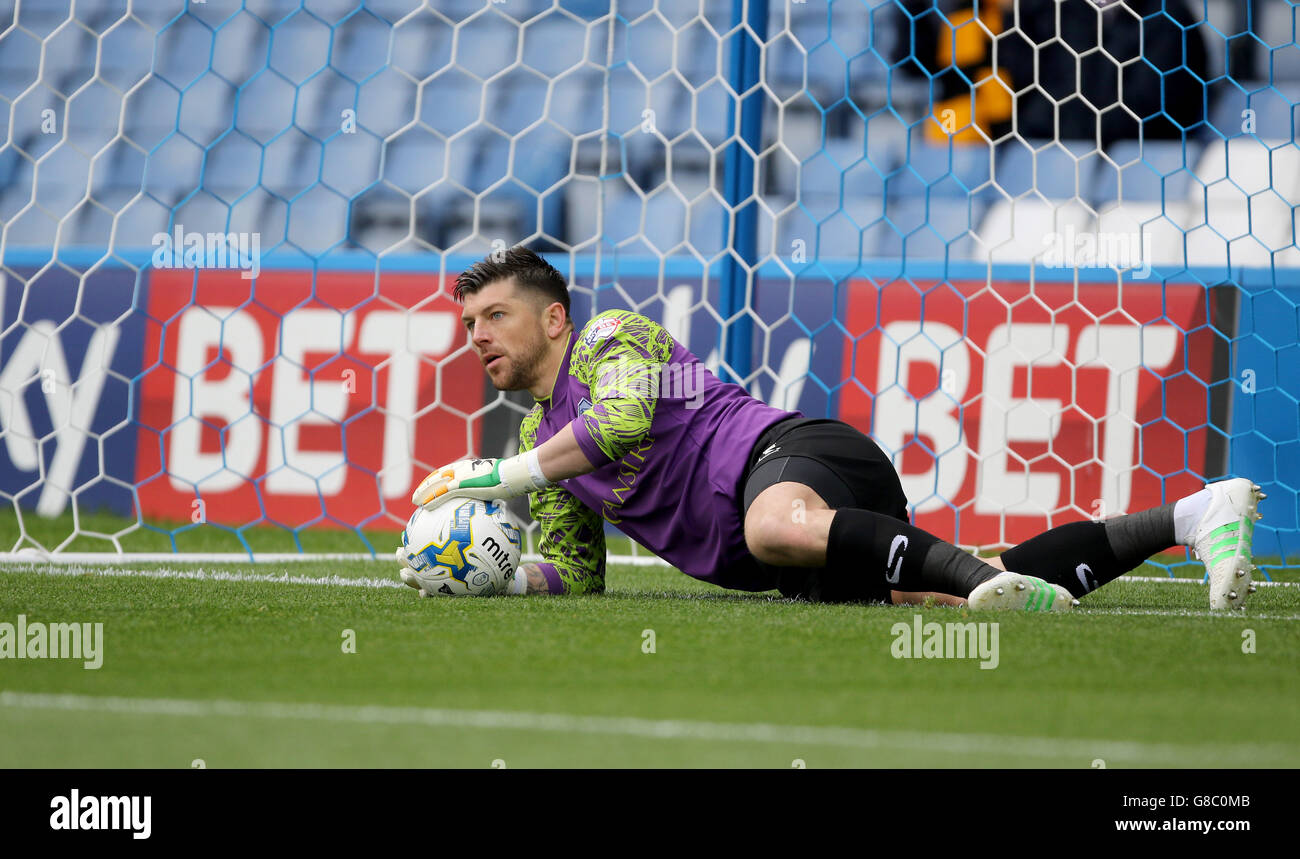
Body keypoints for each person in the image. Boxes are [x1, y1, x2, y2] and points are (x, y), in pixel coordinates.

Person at [403, 246, 1262, 611]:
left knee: (775, 522)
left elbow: (622, 418)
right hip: (796, 549)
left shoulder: (608, 338)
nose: (476, 336)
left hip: (794, 459)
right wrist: (496, 576)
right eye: (469, 323)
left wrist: (498, 478)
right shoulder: (542, 446)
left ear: (552, 318)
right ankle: (1192, 518)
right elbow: (580, 573)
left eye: (494, 315)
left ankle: (979, 586)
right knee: (956, 584)